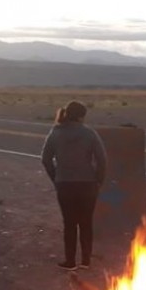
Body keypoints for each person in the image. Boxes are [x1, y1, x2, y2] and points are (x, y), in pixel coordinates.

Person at [41, 101, 107, 271]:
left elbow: (46, 158)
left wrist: (55, 177)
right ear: (81, 116)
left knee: (69, 223)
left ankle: (70, 260)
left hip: (65, 184)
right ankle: (85, 260)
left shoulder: (55, 132)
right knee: (86, 222)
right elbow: (102, 159)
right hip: (87, 184)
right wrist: (99, 179)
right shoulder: (89, 133)